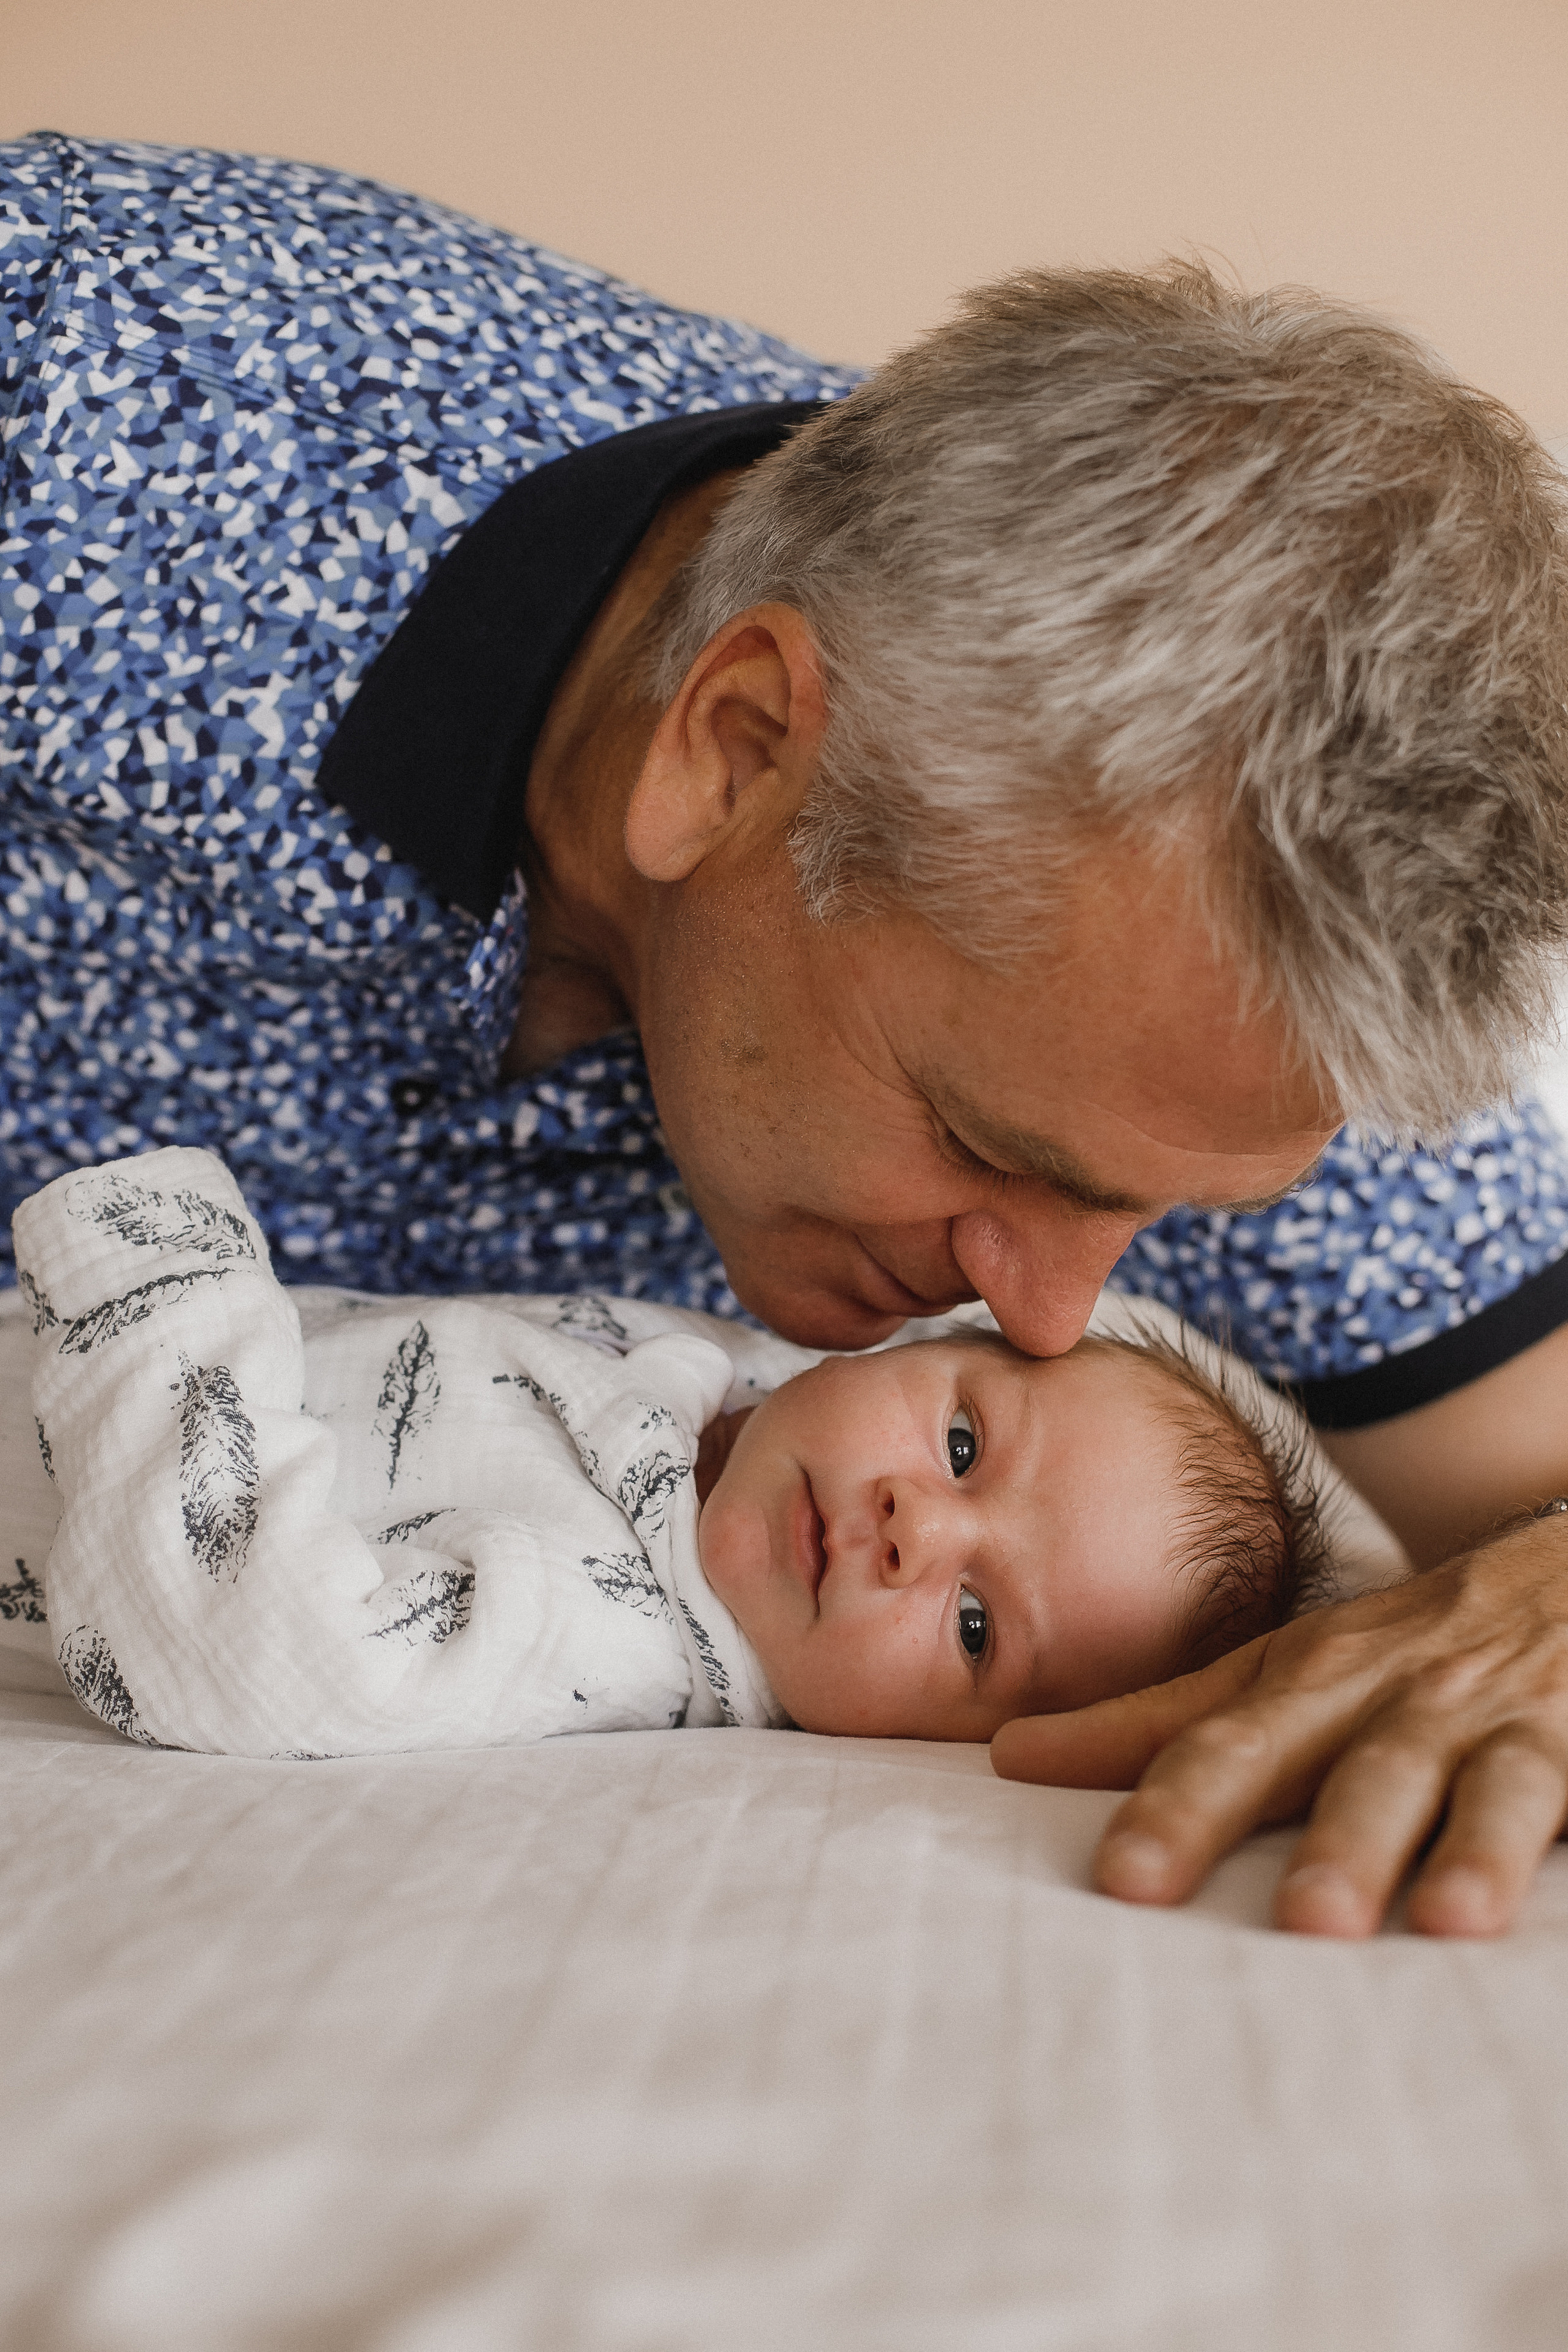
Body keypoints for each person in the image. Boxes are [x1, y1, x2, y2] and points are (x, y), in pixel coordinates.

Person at [6, 132, 1568, 1933]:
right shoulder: (82, 393)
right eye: (993, 1153)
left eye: (1164, 1220)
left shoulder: (1210, 987)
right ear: (735, 747)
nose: (1054, 1316)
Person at [15, 1146, 1321, 1757]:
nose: (915, 1530)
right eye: (964, 1443)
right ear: (924, 1342)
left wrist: (167, 1300)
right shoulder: (729, 1389)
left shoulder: (603, 1630)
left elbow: (267, 1660)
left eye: (976, 1631)